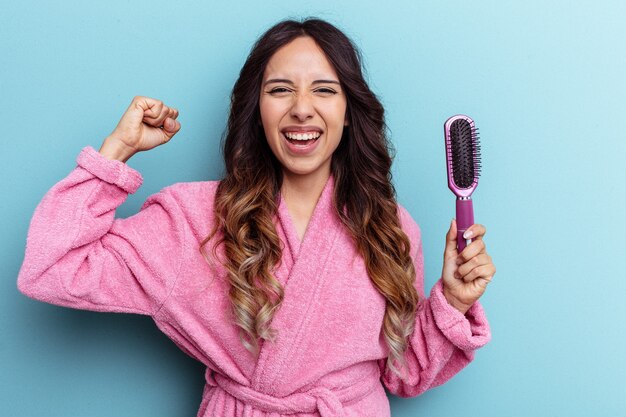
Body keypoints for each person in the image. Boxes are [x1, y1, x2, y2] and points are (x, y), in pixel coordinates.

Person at [17, 17, 495, 417]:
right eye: (280, 90)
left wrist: (451, 301)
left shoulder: (388, 228)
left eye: (324, 90)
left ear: (348, 111)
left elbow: (406, 373)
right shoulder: (192, 220)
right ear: (257, 109)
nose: (302, 109)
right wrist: (116, 153)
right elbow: (54, 267)